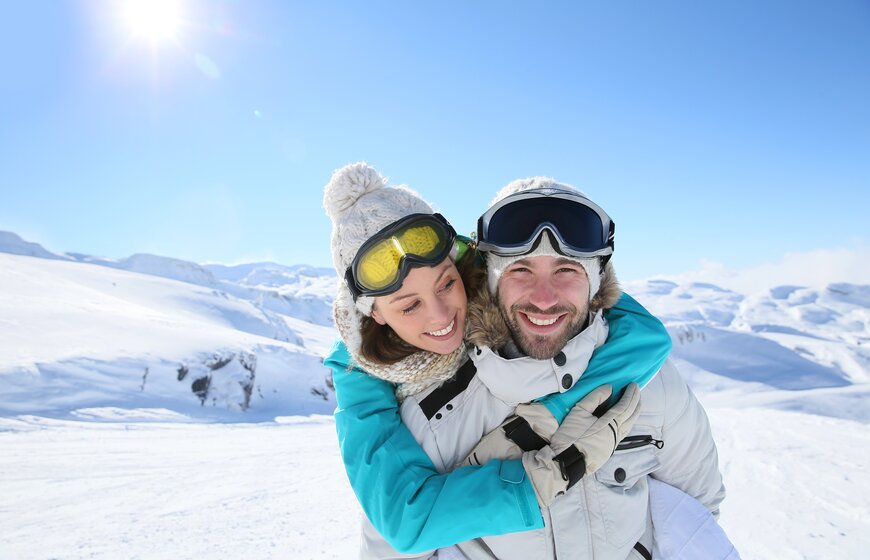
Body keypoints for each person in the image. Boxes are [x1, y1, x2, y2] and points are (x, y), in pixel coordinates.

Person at [323, 163, 674, 555]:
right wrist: (536, 477)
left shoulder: (493, 285)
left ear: (461, 264)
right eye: (409, 306)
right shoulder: (362, 381)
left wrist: (552, 412)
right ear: (374, 313)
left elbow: (644, 334)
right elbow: (402, 523)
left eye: (446, 284)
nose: (441, 316)